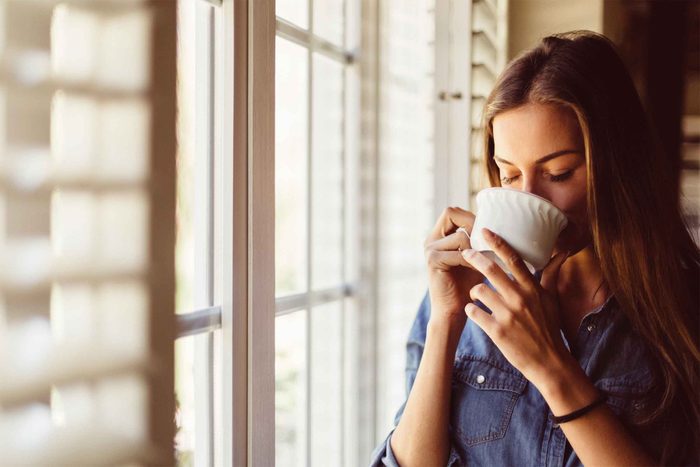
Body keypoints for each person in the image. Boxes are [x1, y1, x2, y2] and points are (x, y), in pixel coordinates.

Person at [370, 30, 699, 466]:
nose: (530, 197)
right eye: (508, 175)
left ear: (619, 167)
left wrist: (551, 366)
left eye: (559, 173)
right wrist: (444, 323)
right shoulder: (465, 298)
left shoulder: (682, 308)